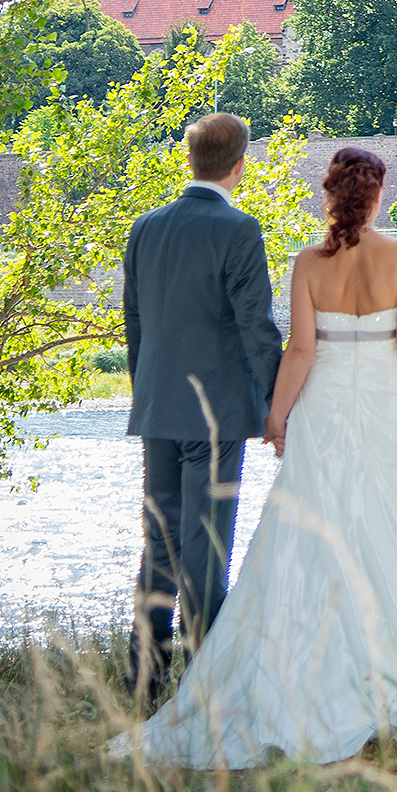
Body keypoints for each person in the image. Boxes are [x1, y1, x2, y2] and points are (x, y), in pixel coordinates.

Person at [111, 144, 397, 768]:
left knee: (310, 535)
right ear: (377, 196)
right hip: (388, 414)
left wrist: (277, 415)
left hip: (324, 413)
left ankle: (289, 674)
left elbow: (301, 351)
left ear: (331, 197)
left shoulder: (309, 264)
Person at [122, 111, 283, 701]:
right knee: (206, 542)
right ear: (240, 165)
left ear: (189, 160)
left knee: (159, 539)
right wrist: (278, 401)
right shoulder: (238, 229)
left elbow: (134, 320)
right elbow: (256, 326)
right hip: (215, 411)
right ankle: (206, 682)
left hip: (157, 405)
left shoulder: (146, 227)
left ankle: (144, 676)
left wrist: (145, 388)